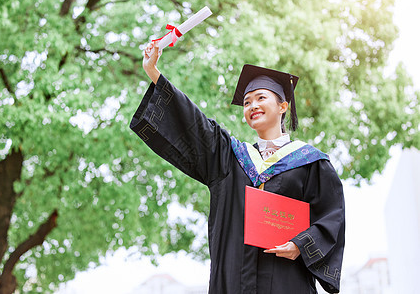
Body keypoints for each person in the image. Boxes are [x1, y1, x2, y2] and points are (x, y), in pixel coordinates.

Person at [130, 42, 345, 294]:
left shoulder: (311, 162)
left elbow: (332, 217)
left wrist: (300, 245)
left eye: (261, 98)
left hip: (287, 282)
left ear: (283, 106)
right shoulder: (231, 157)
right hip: (234, 282)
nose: (252, 106)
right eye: (246, 102)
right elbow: (196, 124)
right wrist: (153, 71)